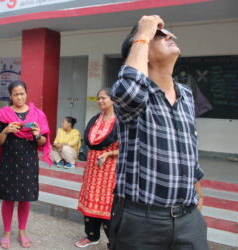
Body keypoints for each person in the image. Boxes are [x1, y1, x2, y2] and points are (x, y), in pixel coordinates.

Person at [109, 15, 207, 250]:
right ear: (139, 49)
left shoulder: (186, 93)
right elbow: (129, 90)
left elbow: (188, 146)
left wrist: (197, 193)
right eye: (159, 35)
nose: (169, 35)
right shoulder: (135, 96)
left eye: (167, 33)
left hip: (188, 218)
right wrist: (143, 31)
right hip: (141, 221)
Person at [0, 80, 51, 249]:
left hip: (28, 160)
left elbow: (43, 142)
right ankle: (6, 232)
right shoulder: (2, 114)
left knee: (25, 198)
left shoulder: (38, 115)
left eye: (22, 93)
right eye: (16, 94)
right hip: (9, 160)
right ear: (10, 96)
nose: (19, 97)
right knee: (9, 198)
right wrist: (5, 130)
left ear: (26, 94)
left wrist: (37, 134)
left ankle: (22, 231)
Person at [75, 89, 119, 248]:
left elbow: (129, 148)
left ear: (113, 100)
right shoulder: (95, 119)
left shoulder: (120, 122)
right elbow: (89, 142)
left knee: (107, 205)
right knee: (89, 202)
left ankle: (114, 242)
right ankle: (91, 236)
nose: (100, 101)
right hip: (93, 166)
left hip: (109, 169)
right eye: (98, 98)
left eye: (103, 98)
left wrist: (109, 154)